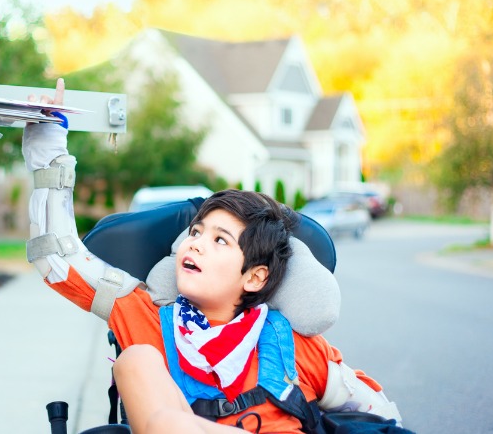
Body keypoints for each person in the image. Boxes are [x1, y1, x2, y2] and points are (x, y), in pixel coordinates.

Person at [22, 79, 402, 433]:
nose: (196, 243)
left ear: (254, 277)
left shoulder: (296, 346)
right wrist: (48, 144)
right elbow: (57, 258)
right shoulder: (144, 319)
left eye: (221, 240)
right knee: (134, 360)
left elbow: (382, 416)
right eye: (196, 232)